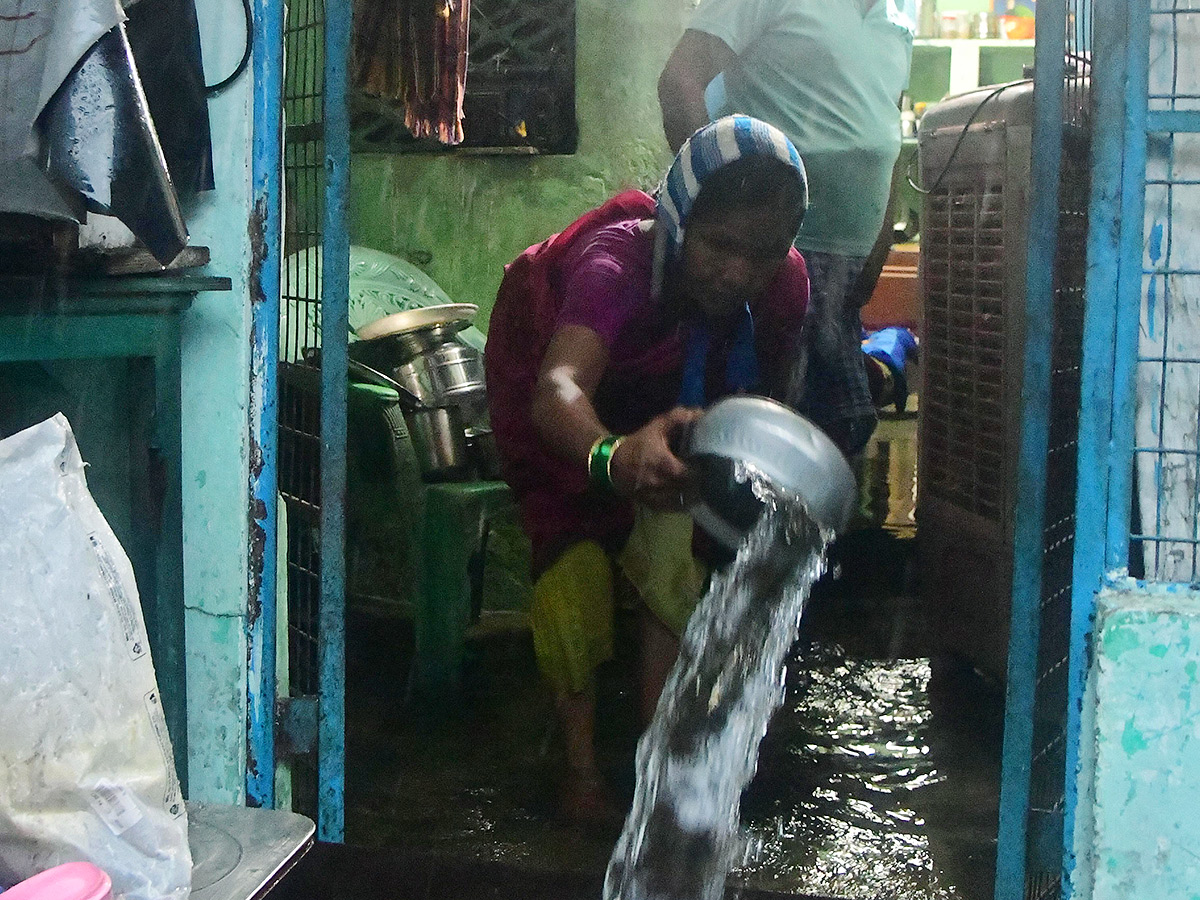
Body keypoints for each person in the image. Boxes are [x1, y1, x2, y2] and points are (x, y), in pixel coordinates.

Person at [484, 116, 818, 825]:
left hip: (670, 407)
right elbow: (558, 390)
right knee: (572, 564)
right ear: (678, 219)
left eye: (763, 253)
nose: (739, 272)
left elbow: (763, 396)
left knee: (675, 560)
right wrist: (610, 454)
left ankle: (656, 760)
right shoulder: (613, 267)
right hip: (561, 406)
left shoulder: (783, 286)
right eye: (720, 245)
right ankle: (579, 768)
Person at [657, 0, 914, 454]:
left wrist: (878, 249)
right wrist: (727, 213)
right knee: (744, 432)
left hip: (849, 265)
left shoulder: (897, 18)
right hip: (766, 260)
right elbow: (680, 82)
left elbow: (885, 132)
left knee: (838, 429)